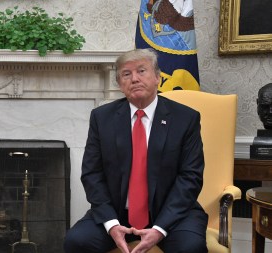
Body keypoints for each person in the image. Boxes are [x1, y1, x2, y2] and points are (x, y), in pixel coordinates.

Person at [64, 48, 208, 253]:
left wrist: (159, 228)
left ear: (157, 77)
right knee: (76, 241)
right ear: (120, 84)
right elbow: (92, 174)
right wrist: (112, 224)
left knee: (190, 248)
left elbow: (190, 177)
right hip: (118, 213)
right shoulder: (101, 118)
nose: (134, 79)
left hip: (172, 214)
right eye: (126, 74)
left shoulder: (185, 118)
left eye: (142, 71)